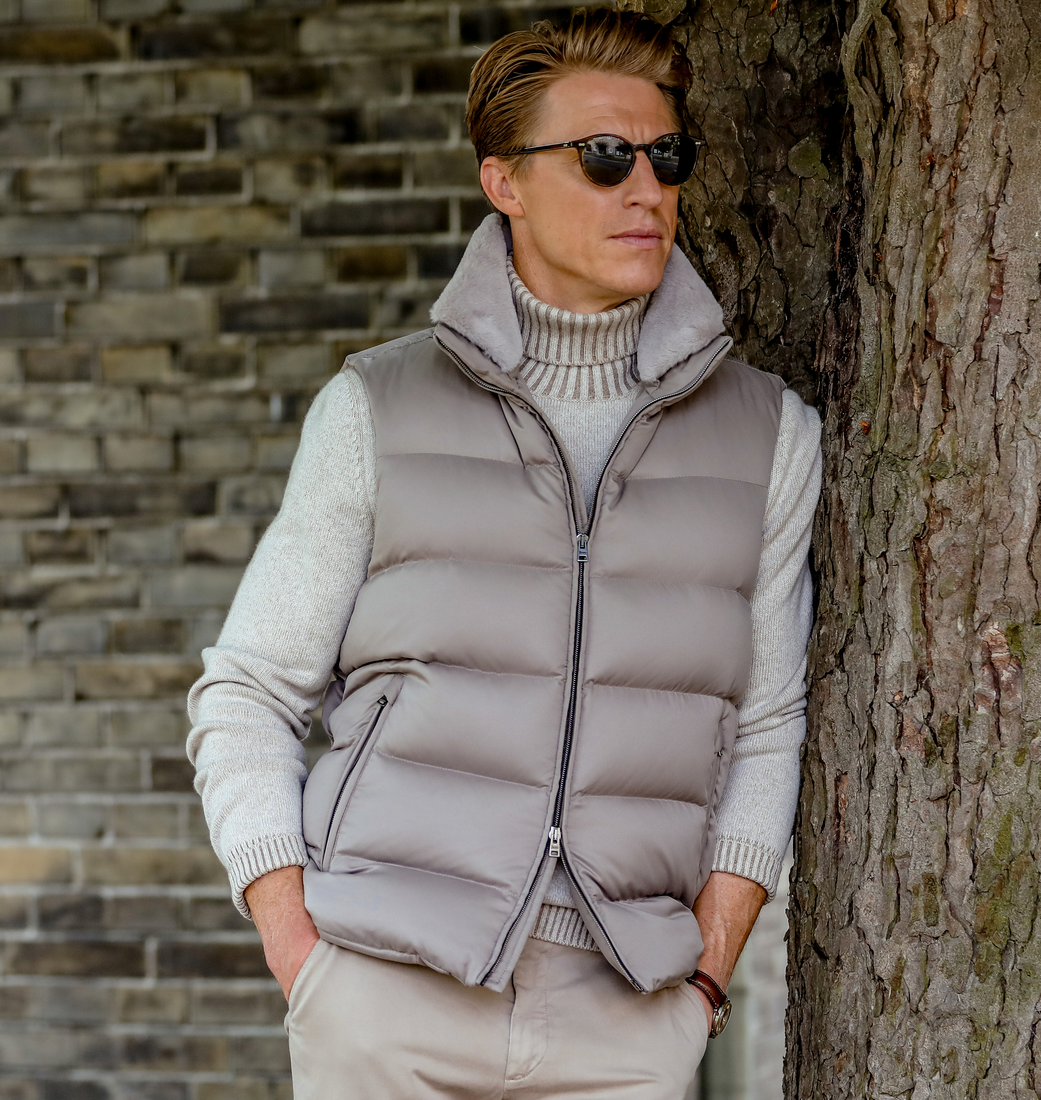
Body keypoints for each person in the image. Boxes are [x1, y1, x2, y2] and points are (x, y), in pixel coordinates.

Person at [186, 9, 821, 1098]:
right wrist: (303, 955)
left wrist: (705, 980)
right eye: (602, 156)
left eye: (665, 155)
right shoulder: (374, 408)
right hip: (386, 993)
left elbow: (762, 726)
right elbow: (245, 690)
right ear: (503, 182)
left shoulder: (767, 436)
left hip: (625, 1019)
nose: (644, 187)